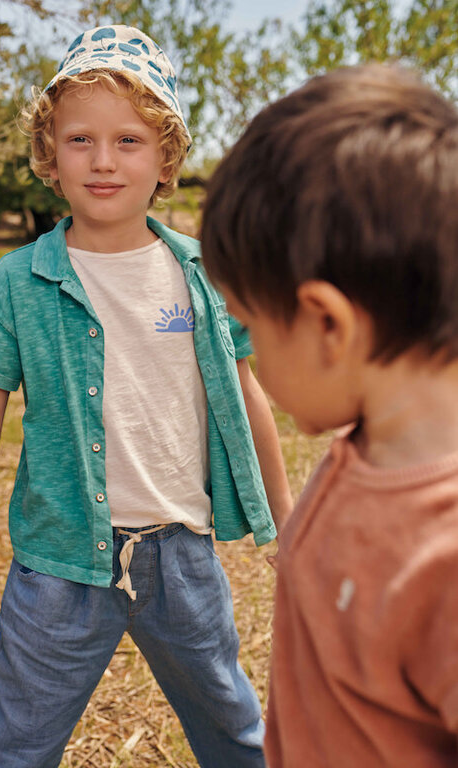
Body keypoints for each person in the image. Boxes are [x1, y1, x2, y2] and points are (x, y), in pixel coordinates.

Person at [0, 24, 293, 768]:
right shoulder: (18, 283)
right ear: (50, 154)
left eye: (130, 141)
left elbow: (247, 401)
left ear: (166, 156)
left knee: (239, 738)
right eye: (80, 139)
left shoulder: (206, 274)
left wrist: (285, 524)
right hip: (57, 572)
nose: (104, 160)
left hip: (182, 558)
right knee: (11, 749)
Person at [201, 62, 458, 767]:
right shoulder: (364, 450)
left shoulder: (443, 559)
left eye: (248, 323)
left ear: (327, 325)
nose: (245, 347)